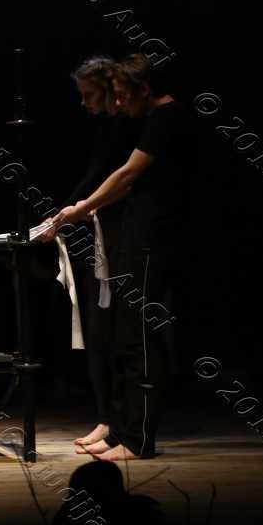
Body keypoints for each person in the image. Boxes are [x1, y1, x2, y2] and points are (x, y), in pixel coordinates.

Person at [48, 55, 191, 460]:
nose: (120, 104)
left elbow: (127, 174)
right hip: (136, 231)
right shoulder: (151, 118)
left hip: (154, 237)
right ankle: (120, 431)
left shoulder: (167, 119)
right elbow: (126, 184)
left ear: (144, 90)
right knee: (126, 334)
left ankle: (138, 438)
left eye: (124, 96)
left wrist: (81, 207)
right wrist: (89, 206)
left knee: (140, 335)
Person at [41, 57, 141, 448]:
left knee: (113, 330)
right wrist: (62, 214)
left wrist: (70, 212)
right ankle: (106, 417)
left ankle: (120, 423)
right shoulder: (105, 128)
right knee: (96, 330)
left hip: (120, 233)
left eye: (89, 95)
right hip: (98, 230)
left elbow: (119, 178)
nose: (84, 104)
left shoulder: (130, 125)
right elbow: (94, 175)